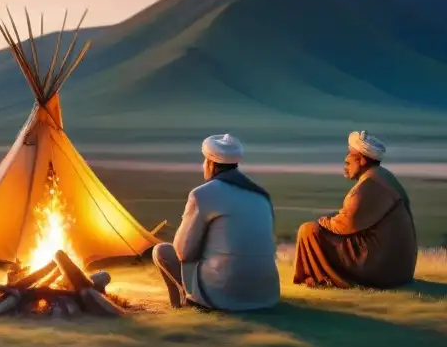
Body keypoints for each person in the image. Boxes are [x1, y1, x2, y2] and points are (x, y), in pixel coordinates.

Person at [152, 134, 280, 311]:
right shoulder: (261, 195)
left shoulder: (202, 194)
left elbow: (182, 252)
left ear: (210, 163)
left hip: (222, 296)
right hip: (266, 294)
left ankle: (181, 305)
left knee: (161, 251)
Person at [293, 130, 417, 289]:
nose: (346, 159)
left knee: (309, 231)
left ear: (363, 160)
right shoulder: (382, 176)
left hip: (383, 268)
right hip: (397, 268)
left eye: (350, 155)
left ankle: (318, 279)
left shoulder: (370, 185)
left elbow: (345, 224)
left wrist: (323, 221)